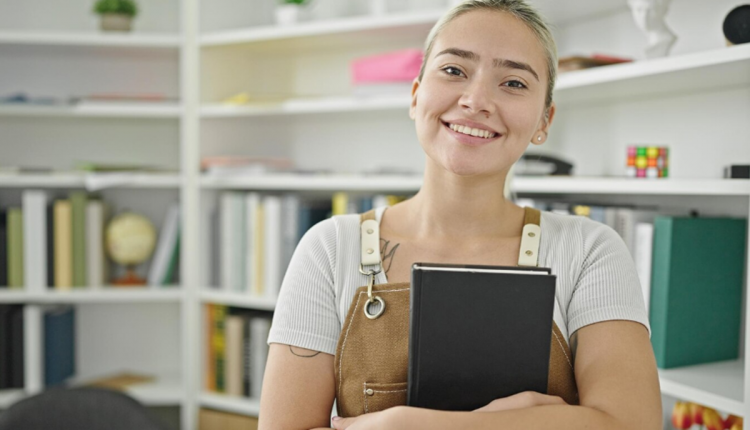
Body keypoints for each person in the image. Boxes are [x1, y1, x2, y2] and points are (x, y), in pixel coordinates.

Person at [259, 1, 662, 429]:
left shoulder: (590, 251)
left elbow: (632, 424)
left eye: (513, 82)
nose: (476, 101)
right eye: (454, 71)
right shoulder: (328, 248)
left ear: (545, 119)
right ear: (415, 96)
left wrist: (408, 426)